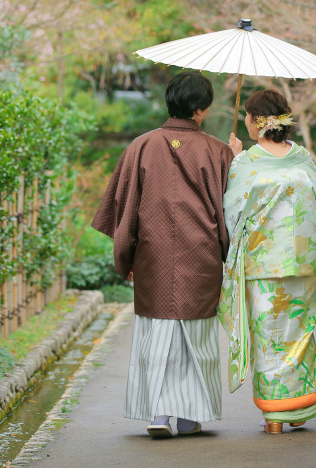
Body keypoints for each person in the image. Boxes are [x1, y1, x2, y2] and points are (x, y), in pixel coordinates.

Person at [92, 71, 234, 438]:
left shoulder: (140, 146)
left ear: (169, 102)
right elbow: (232, 212)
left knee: (156, 334)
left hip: (153, 255)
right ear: (201, 111)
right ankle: (189, 416)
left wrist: (126, 259)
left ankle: (158, 414)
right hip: (201, 256)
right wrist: (236, 159)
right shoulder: (218, 151)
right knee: (196, 338)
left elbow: (124, 211)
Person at [220, 89, 316, 434]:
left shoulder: (246, 163)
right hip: (304, 262)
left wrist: (233, 158)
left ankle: (275, 416)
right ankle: (298, 406)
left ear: (256, 122)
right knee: (301, 332)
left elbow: (232, 212)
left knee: (269, 338)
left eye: (248, 118)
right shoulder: (303, 158)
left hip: (263, 265)